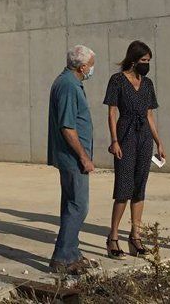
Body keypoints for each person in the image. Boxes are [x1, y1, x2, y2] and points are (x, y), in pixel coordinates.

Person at [103, 41, 166, 259]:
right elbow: (112, 113)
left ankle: (135, 236)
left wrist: (158, 141)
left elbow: (150, 114)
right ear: (133, 60)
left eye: (148, 61)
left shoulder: (147, 84)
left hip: (144, 138)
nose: (146, 65)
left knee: (139, 187)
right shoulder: (117, 80)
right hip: (125, 134)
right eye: (143, 61)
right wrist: (114, 140)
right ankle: (113, 238)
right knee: (123, 188)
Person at [46, 44, 97, 274]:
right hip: (73, 157)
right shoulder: (68, 86)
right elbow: (68, 127)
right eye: (91, 65)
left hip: (70, 156)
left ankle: (72, 253)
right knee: (78, 206)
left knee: (71, 205)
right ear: (83, 66)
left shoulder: (69, 82)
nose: (92, 70)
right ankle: (62, 257)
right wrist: (84, 157)